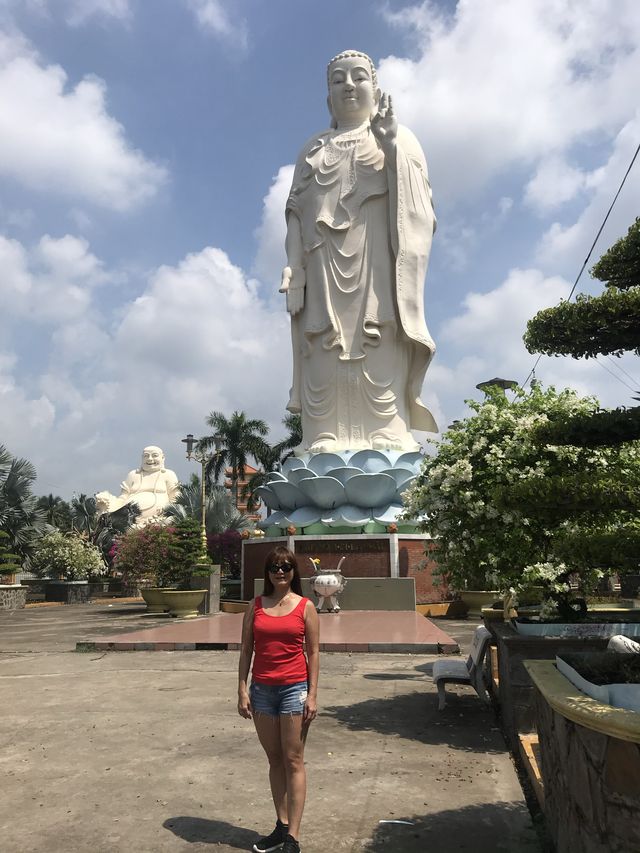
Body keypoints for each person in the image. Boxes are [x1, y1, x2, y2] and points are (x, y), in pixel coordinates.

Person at [280, 49, 438, 454]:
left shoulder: (397, 135)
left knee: (380, 336)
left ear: (375, 87)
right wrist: (293, 268)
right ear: (328, 96)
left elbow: (420, 210)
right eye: (338, 80)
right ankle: (323, 432)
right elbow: (295, 214)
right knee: (322, 342)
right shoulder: (312, 149)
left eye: (358, 76)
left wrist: (390, 151)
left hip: (376, 264)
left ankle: (387, 428)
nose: (349, 85)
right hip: (321, 269)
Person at [238, 547, 320, 853]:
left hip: (294, 690)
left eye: (286, 567)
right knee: (275, 760)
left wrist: (312, 694)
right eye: (275, 567)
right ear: (268, 572)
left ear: (294, 572)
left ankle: (293, 837)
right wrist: (241, 688)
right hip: (262, 691)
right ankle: (281, 825)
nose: (280, 572)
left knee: (293, 760)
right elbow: (246, 649)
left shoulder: (305, 606)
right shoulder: (255, 606)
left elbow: (313, 652)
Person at [95, 446, 180, 527]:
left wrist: (167, 513)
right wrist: (110, 504)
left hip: (158, 519)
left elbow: (175, 498)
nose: (150, 459)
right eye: (146, 456)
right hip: (128, 519)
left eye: (154, 455)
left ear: (163, 458)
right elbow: (123, 497)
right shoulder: (133, 475)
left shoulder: (168, 474)